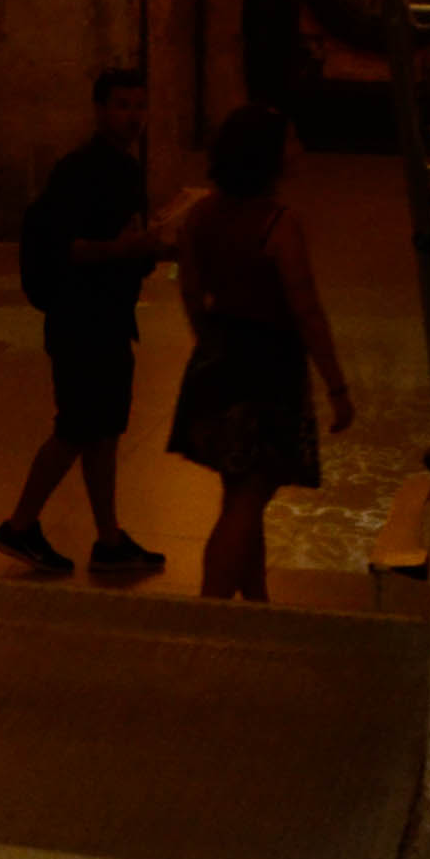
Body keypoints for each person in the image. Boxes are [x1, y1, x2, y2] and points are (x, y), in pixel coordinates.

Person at [167, 104, 354, 601]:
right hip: (267, 367)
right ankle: (213, 606)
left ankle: (256, 602)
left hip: (218, 357)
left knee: (238, 491)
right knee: (249, 497)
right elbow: (306, 310)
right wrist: (337, 386)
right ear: (268, 156)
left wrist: (208, 340)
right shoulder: (279, 225)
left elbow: (189, 289)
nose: (300, 149)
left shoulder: (201, 213)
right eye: (291, 140)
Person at [0, 70, 168, 583]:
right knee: (76, 427)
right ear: (98, 109)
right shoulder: (81, 171)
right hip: (81, 317)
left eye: (140, 105)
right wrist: (125, 250)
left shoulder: (125, 169)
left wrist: (144, 250)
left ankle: (110, 539)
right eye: (122, 105)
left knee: (104, 430)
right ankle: (19, 525)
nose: (133, 116)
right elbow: (64, 246)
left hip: (108, 316)